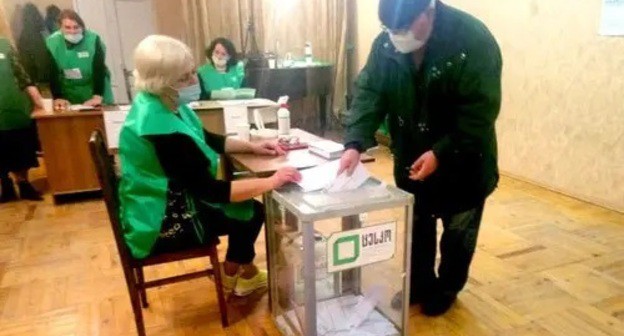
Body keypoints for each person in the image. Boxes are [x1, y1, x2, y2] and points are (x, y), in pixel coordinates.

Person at [339, 0, 502, 316]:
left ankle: (447, 288)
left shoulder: (472, 40)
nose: (396, 37)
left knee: (458, 233)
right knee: (418, 228)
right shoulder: (386, 43)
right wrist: (354, 143)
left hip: (462, 161)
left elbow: (480, 111)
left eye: (404, 28)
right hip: (413, 159)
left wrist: (441, 152)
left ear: (428, 12)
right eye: (390, 29)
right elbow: (370, 92)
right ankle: (420, 283)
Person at [118, 35, 301, 296]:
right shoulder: (160, 129)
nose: (195, 81)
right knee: (252, 213)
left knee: (245, 209)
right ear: (162, 82)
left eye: (192, 72)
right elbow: (210, 191)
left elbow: (207, 138)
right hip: (162, 220)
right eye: (185, 78)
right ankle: (229, 276)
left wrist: (253, 146)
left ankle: (246, 274)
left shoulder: (162, 103)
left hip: (155, 201)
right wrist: (271, 182)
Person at [0, 36, 45, 202]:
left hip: (15, 107)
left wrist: (39, 101)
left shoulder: (5, 46)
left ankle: (24, 184)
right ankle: (6, 185)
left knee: (20, 146)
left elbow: (22, 76)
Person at [46, 9, 113, 110]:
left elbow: (99, 69)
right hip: (70, 93)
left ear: (82, 26)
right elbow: (52, 72)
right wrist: (58, 97)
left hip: (96, 90)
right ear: (60, 28)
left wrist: (97, 96)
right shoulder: (53, 43)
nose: (72, 31)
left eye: (76, 27)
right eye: (67, 27)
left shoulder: (93, 39)